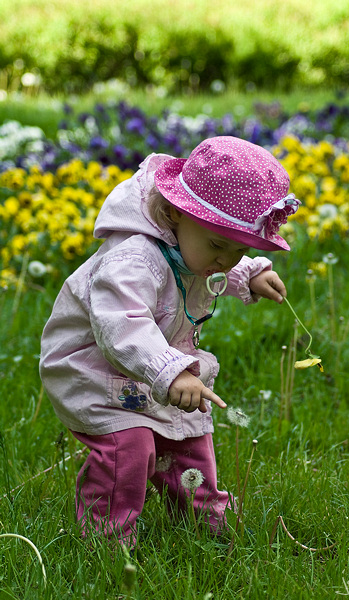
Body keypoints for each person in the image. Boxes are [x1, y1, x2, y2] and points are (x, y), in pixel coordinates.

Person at [39, 136, 300, 546]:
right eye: (219, 246)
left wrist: (247, 273)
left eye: (240, 249)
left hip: (158, 363)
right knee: (130, 445)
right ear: (175, 214)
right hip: (94, 367)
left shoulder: (194, 244)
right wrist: (171, 371)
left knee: (188, 433)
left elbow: (206, 262)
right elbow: (122, 326)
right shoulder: (133, 260)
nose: (226, 259)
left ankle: (206, 525)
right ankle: (106, 540)